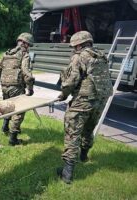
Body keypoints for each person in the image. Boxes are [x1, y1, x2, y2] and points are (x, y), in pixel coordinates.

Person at [56, 31, 113, 184]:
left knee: (72, 132)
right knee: (88, 129)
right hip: (100, 99)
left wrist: (63, 94)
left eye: (74, 46)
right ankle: (84, 156)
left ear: (80, 45)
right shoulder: (100, 55)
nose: (73, 49)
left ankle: (67, 173)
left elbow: (71, 81)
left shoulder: (79, 57)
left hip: (84, 100)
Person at [0, 33, 35, 146]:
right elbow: (27, 74)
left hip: (4, 86)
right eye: (29, 44)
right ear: (25, 43)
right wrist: (30, 88)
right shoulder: (24, 55)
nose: (29, 47)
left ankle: (5, 127)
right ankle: (13, 138)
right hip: (16, 87)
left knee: (8, 107)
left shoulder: (7, 53)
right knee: (19, 111)